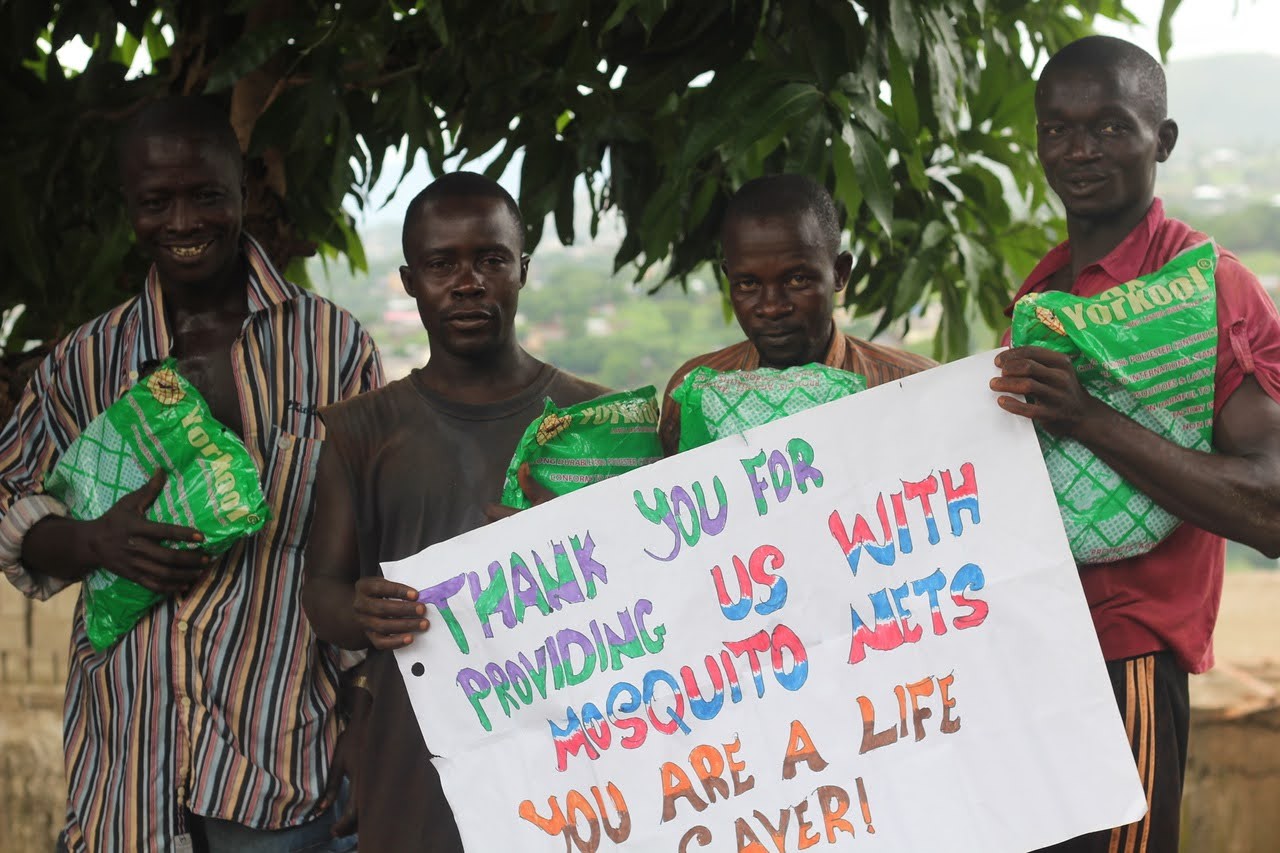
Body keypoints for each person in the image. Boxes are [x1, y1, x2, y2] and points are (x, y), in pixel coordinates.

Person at [0, 98, 381, 852]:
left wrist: (368, 719)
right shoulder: (87, 361)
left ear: (241, 190)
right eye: (156, 202)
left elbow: (379, 539)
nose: (182, 222)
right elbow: (11, 500)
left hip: (285, 775)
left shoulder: (333, 346)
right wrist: (91, 542)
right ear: (128, 206)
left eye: (206, 195)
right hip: (126, 778)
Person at [990, 36, 1280, 852]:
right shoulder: (1042, 292)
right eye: (1058, 129)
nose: (1079, 150)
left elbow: (1271, 507)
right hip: (1027, 656)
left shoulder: (1208, 285)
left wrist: (1089, 418)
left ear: (1164, 139)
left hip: (1127, 662)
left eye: (1111, 127)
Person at [301, 172, 609, 851]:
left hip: (571, 753)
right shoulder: (360, 431)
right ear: (410, 281)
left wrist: (570, 554)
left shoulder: (595, 420)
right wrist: (363, 610)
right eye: (442, 264)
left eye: (490, 260)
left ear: (522, 269)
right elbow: (321, 591)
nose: (468, 283)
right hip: (417, 758)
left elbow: (648, 587)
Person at [658, 174, 935, 455]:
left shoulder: (919, 388)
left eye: (797, 280)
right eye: (748, 284)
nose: (772, 307)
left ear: (839, 273)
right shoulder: (692, 396)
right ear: (729, 279)